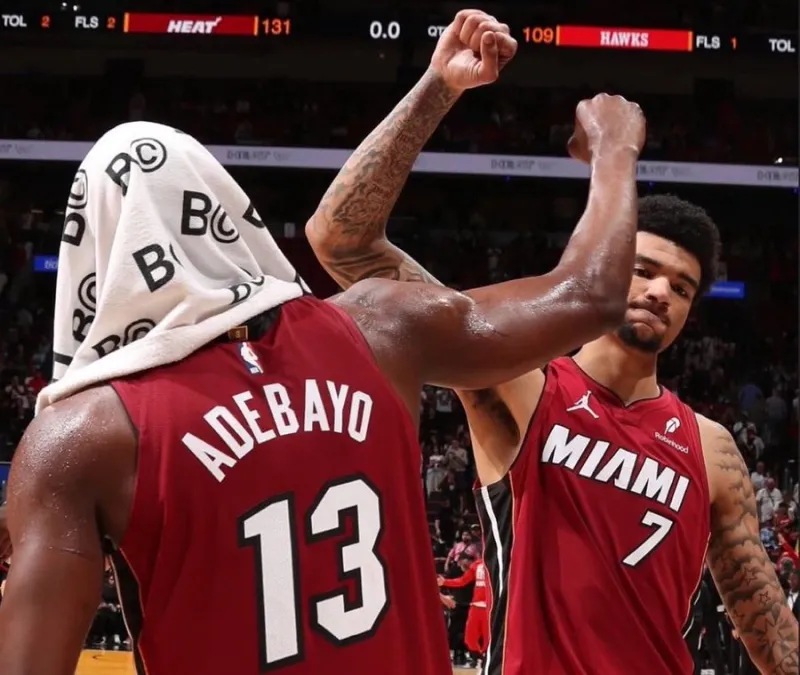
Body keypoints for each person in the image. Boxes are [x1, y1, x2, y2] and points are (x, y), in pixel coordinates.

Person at [0, 13, 650, 675]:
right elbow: (589, 295)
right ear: (229, 213)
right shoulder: (380, 326)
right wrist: (615, 148)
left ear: (90, 252)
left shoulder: (77, 437)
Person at [305, 45, 799, 675]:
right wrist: (437, 86)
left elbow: (767, 626)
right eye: (642, 270)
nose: (659, 292)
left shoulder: (711, 447)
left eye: (681, 288)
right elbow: (341, 241)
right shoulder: (520, 384)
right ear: (608, 264)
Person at [438, 555, 489, 661]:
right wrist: (445, 582)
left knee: (488, 639)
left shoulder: (498, 562)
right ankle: (482, 659)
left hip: (489, 607)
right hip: (476, 606)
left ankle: (486, 660)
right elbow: (463, 580)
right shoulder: (477, 564)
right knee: (469, 638)